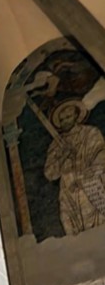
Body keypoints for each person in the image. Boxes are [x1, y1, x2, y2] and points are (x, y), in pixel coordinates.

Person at [43, 99, 105, 234]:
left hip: (91, 186)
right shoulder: (56, 144)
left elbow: (101, 157)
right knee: (72, 229)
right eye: (62, 119)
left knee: (96, 227)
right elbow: (50, 173)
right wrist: (62, 156)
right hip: (68, 191)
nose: (65, 121)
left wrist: (86, 175)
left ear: (76, 116)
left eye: (68, 117)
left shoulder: (90, 133)